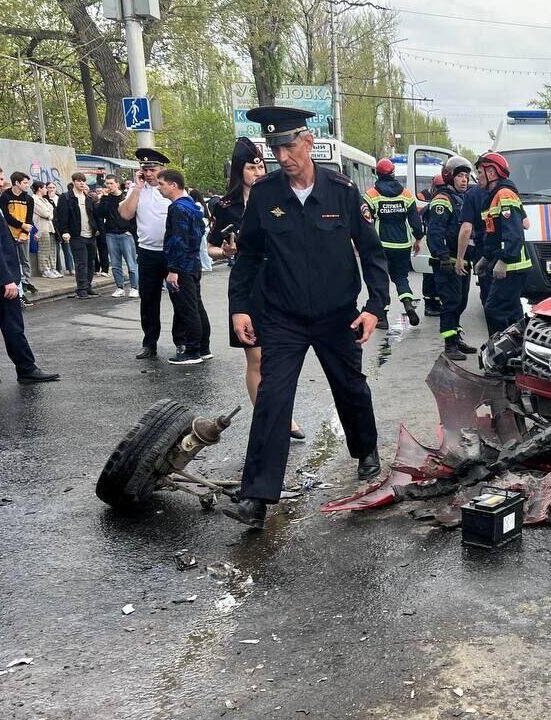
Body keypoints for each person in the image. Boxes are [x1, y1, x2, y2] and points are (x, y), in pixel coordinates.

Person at [224, 106, 389, 529]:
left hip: (337, 316)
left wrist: (373, 309)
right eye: (275, 148)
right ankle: (257, 497)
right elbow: (248, 257)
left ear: (309, 141)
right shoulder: (265, 195)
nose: (282, 156)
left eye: (289, 146)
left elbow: (372, 254)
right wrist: (239, 307)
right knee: (273, 398)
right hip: (283, 317)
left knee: (350, 387)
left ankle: (366, 451)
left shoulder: (342, 190)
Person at [208, 137, 304, 439]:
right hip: (248, 286)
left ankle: (282, 413)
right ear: (240, 170)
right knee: (256, 357)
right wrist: (225, 252)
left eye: (261, 166)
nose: (257, 172)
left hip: (281, 283)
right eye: (251, 167)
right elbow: (210, 248)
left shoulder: (279, 196)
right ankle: (270, 419)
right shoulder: (226, 207)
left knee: (281, 356)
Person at [0, 163, 59, 385]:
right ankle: (27, 369)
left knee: (13, 326)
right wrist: (8, 280)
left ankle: (26, 369)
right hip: (1, 281)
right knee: (13, 325)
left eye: (1, 179)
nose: (0, 183)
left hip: (3, 278)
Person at [120, 149, 178, 359]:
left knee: (178, 299)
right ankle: (149, 343)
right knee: (149, 301)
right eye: (145, 169)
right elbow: (126, 214)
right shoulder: (137, 190)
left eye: (152, 169)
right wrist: (137, 188)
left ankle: (180, 341)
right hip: (147, 252)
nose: (148, 173)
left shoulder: (171, 189)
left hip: (171, 253)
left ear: (162, 169)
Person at [425, 156, 478, 359]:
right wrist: (443, 256)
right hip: (447, 263)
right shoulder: (443, 200)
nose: (464, 180)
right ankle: (449, 345)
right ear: (450, 177)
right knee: (451, 303)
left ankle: (456, 337)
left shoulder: (463, 198)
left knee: (462, 302)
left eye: (466, 176)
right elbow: (435, 232)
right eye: (460, 176)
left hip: (463, 262)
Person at [158, 168, 211, 365]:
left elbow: (178, 240)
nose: (159, 188)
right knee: (196, 306)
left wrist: (173, 270)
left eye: (161, 184)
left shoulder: (177, 208)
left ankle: (192, 350)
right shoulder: (192, 206)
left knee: (187, 308)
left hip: (182, 266)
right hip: (193, 263)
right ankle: (203, 347)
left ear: (173, 185)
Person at [475, 152, 530, 336]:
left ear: (491, 172)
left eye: (480, 172)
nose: (478, 177)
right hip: (508, 264)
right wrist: (486, 257)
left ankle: (502, 353)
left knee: (494, 309)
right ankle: (519, 352)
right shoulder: (493, 196)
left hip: (513, 266)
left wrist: (504, 260)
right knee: (513, 313)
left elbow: (514, 233)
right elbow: (493, 235)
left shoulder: (504, 194)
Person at [364, 158, 424, 326]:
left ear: (378, 174)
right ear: (393, 174)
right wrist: (418, 239)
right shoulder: (406, 194)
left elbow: (364, 221)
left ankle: (382, 316)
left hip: (381, 244)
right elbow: (415, 221)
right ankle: (408, 304)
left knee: (380, 278)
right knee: (401, 277)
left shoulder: (371, 195)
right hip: (402, 244)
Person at [56, 172, 99, 300]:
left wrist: (96, 229)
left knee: (91, 262)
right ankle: (81, 289)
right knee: (81, 263)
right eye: (79, 181)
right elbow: (62, 216)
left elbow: (93, 215)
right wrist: (64, 231)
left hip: (90, 234)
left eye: (83, 181)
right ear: (73, 182)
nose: (81, 183)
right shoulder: (66, 197)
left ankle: (88, 286)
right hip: (76, 235)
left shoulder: (88, 198)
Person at [96, 175, 139, 298]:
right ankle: (119, 287)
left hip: (125, 233)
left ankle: (134, 287)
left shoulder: (125, 197)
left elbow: (133, 214)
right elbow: (99, 213)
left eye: (111, 183)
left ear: (117, 183)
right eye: (107, 184)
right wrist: (103, 197)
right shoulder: (106, 198)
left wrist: (131, 231)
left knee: (131, 263)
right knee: (115, 264)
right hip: (111, 233)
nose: (109, 186)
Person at [456, 162, 491, 311]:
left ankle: (496, 333)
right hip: (506, 251)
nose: (477, 177)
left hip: (483, 249)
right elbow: (525, 223)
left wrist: (460, 258)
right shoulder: (507, 191)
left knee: (488, 294)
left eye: (479, 173)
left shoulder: (472, 194)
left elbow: (466, 229)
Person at [0, 171, 35, 287]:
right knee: (14, 260)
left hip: (24, 234)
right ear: (16, 183)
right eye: (24, 183)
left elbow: (29, 218)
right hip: (10, 234)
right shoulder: (5, 196)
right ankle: (17, 282)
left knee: (25, 260)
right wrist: (22, 225)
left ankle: (26, 282)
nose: (27, 185)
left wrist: (24, 231)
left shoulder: (28, 198)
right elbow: (6, 217)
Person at [415, 176, 443, 317]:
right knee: (433, 277)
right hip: (435, 246)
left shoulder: (429, 206)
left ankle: (431, 304)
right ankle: (432, 305)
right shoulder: (438, 205)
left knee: (429, 276)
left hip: (429, 245)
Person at [31, 181, 59, 278]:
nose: (47, 190)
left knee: (52, 249)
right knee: (44, 249)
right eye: (45, 188)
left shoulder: (45, 200)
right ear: (39, 188)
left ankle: (52, 268)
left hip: (50, 227)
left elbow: (52, 211)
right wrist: (49, 214)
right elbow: (45, 213)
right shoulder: (34, 199)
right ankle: (45, 270)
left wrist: (49, 214)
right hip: (41, 228)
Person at [46, 182, 71, 277]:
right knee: (55, 249)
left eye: (53, 187)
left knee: (66, 247)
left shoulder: (60, 198)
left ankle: (70, 268)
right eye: (49, 187)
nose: (51, 189)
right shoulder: (45, 199)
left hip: (62, 225)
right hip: (53, 226)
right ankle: (58, 268)